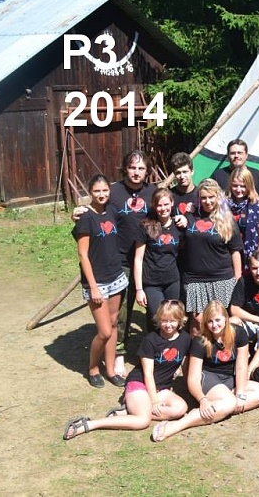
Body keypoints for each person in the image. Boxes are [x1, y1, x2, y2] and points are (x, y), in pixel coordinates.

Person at [72, 150, 156, 376]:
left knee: (152, 307)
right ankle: (118, 353)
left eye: (141, 168)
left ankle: (154, 349)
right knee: (121, 313)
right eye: (132, 167)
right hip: (120, 260)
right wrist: (78, 213)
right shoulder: (113, 191)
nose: (136, 172)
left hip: (148, 258)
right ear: (125, 169)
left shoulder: (153, 192)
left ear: (147, 171)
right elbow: (95, 212)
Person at [63, 300, 191, 440]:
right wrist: (154, 401)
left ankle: (130, 411)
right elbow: (148, 373)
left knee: (180, 409)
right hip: (140, 383)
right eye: (164, 320)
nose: (168, 325)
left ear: (180, 320)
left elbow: (185, 363)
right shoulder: (151, 340)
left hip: (162, 387)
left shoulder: (185, 339)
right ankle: (89, 424)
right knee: (143, 421)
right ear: (159, 319)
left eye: (173, 321)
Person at [150, 301, 259, 442]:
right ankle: (178, 425)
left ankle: (221, 406)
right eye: (210, 321)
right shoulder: (200, 341)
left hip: (229, 378)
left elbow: (241, 367)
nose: (214, 325)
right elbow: (193, 378)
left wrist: (240, 393)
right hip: (208, 377)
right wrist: (203, 399)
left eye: (218, 320)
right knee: (230, 402)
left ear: (226, 318)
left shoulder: (239, 333)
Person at [72, 174, 130, 388]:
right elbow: (83, 254)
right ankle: (93, 368)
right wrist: (93, 287)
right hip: (97, 283)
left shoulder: (112, 211)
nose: (101, 194)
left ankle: (111, 370)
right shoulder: (86, 217)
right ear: (90, 193)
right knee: (104, 331)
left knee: (114, 324)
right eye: (97, 191)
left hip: (116, 277)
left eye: (105, 190)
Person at [181, 178, 243, 335]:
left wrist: (237, 278)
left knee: (219, 322)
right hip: (194, 278)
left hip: (222, 277)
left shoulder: (227, 220)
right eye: (203, 198)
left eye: (211, 197)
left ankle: (220, 350)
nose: (207, 201)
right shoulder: (190, 215)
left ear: (218, 197)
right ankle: (196, 350)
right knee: (197, 322)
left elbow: (235, 251)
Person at [133, 189, 184, 329]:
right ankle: (154, 343)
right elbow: (138, 259)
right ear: (154, 206)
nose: (163, 208)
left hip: (172, 281)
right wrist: (139, 289)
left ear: (172, 203)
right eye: (159, 205)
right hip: (152, 282)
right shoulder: (146, 226)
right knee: (159, 320)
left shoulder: (178, 226)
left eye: (166, 204)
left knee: (172, 319)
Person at [227, 166, 259, 267]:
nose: (238, 189)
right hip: (226, 257)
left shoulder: (257, 205)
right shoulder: (222, 204)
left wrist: (258, 260)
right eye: (235, 186)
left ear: (249, 185)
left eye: (243, 186)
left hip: (249, 258)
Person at [169, 151, 197, 220]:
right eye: (178, 173)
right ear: (174, 174)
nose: (182, 176)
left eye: (185, 172)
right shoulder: (169, 195)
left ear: (192, 172)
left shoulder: (200, 195)